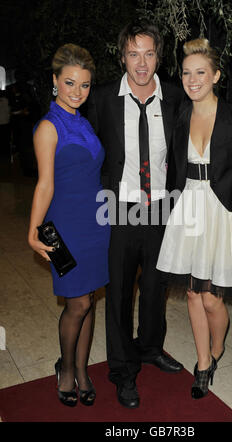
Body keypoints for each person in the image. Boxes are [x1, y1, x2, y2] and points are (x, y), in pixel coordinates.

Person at [156, 38, 232, 399]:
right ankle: (203, 363)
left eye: (201, 72)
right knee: (191, 292)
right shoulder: (181, 114)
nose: (193, 79)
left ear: (216, 75)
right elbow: (172, 163)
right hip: (189, 204)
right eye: (186, 73)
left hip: (224, 208)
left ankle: (217, 347)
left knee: (212, 297)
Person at [88, 21, 185, 409]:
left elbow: (200, 137)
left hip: (161, 206)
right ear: (122, 56)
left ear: (159, 56)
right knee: (120, 292)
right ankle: (123, 371)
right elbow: (85, 149)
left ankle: (149, 348)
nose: (141, 63)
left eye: (148, 53)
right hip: (119, 208)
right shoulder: (102, 99)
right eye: (133, 54)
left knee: (157, 287)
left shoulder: (176, 97)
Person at [28, 44, 110, 407]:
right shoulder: (48, 127)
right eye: (70, 83)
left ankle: (81, 369)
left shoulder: (84, 122)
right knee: (76, 302)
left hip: (95, 225)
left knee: (89, 298)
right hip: (63, 227)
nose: (78, 92)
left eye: (86, 85)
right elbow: (45, 183)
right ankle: (65, 370)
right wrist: (33, 230)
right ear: (55, 81)